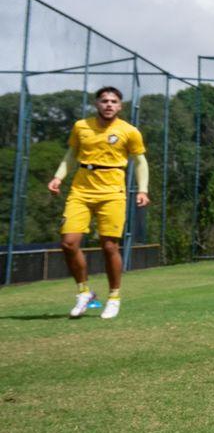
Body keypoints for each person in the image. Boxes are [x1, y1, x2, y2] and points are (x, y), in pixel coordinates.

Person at [46, 86, 149, 320]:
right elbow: (71, 155)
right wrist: (58, 177)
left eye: (114, 101)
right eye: (104, 101)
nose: (109, 105)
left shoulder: (129, 131)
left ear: (120, 106)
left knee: (109, 246)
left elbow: (140, 162)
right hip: (80, 191)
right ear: (97, 104)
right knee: (68, 243)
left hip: (113, 193)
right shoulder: (81, 127)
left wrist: (142, 190)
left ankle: (114, 297)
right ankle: (84, 292)